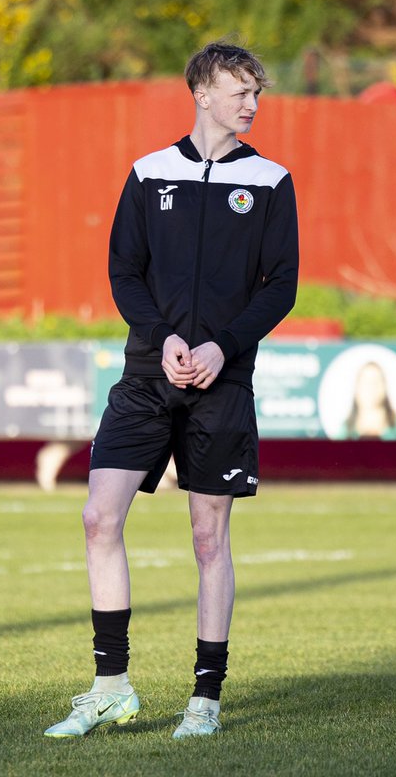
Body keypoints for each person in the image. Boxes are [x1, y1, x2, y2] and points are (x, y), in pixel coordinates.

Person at [44, 41, 299, 740]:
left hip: (223, 384)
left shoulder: (272, 181)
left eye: (256, 92)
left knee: (208, 538)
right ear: (202, 92)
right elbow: (125, 269)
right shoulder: (148, 172)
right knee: (100, 517)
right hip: (147, 376)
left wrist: (222, 346)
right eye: (239, 89)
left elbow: (281, 286)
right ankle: (109, 687)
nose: (251, 102)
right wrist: (164, 339)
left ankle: (204, 699)